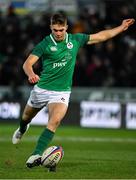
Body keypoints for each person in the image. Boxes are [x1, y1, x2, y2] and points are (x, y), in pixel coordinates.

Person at [12, 12, 135, 169]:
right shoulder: (45, 43)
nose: (58, 33)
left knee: (54, 121)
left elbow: (101, 36)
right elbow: (27, 63)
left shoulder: (76, 39)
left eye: (61, 30)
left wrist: (121, 27)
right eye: (55, 30)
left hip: (62, 92)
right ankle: (23, 128)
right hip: (42, 89)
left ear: (66, 28)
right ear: (50, 27)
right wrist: (31, 74)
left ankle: (35, 154)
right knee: (26, 117)